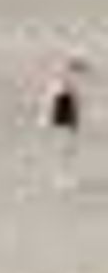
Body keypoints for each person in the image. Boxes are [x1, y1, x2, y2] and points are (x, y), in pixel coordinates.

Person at [51, 52, 87, 191]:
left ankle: (64, 176)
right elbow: (61, 102)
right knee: (65, 147)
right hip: (64, 110)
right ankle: (62, 177)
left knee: (67, 147)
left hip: (67, 111)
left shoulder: (64, 81)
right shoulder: (63, 83)